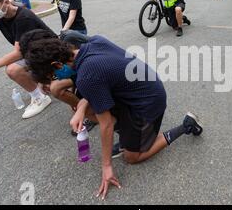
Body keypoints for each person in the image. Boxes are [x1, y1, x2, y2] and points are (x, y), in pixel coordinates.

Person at [22, 34, 204, 199]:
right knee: (90, 108)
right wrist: (80, 108)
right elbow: (101, 80)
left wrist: (106, 167)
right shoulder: (93, 42)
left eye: (52, 76)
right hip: (139, 89)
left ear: (57, 65)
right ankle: (129, 135)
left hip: (148, 103)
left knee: (132, 158)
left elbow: (106, 123)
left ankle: (186, 125)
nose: (55, 80)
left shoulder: (87, 76)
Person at [19, 29, 96, 135]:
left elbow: (89, 71)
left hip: (95, 72)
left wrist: (82, 106)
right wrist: (44, 80)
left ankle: (91, 112)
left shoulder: (70, 41)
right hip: (83, 73)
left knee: (57, 87)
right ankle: (87, 111)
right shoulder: (54, 53)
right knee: (55, 86)